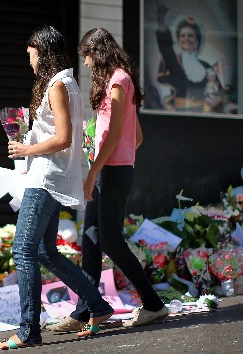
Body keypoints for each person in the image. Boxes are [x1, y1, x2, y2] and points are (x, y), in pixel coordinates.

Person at [0, 25, 115, 350]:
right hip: (53, 175)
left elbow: (64, 138)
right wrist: (27, 139)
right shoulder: (65, 83)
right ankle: (99, 306)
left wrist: (24, 150)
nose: (29, 63)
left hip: (45, 178)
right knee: (45, 251)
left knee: (24, 249)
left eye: (31, 56)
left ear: (43, 54)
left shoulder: (58, 85)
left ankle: (29, 330)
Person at [47, 28, 168, 333]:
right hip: (110, 167)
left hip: (111, 171)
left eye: (86, 55)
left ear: (97, 51)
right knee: (90, 239)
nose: (85, 63)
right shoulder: (116, 81)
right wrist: (111, 155)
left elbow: (115, 136)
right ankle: (86, 309)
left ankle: (154, 305)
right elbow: (135, 136)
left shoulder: (119, 81)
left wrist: (94, 172)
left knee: (111, 241)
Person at [154, 2, 224, 112]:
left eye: (190, 36)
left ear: (196, 41)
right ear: (179, 40)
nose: (186, 38)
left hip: (202, 115)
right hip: (178, 114)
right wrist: (161, 21)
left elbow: (220, 92)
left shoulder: (206, 67)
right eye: (182, 35)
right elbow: (165, 47)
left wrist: (218, 100)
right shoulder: (175, 61)